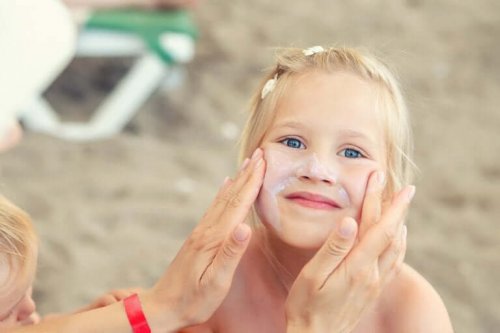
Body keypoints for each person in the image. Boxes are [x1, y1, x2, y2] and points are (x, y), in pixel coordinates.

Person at [180, 46, 454, 332]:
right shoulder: (215, 280)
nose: (316, 170)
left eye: (351, 153)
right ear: (251, 157)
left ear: (389, 187)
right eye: (293, 142)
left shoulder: (410, 309)